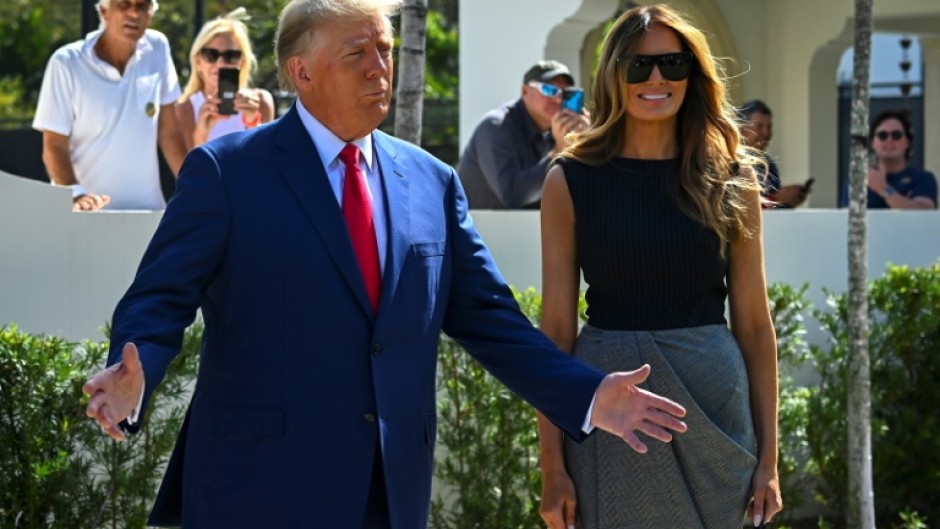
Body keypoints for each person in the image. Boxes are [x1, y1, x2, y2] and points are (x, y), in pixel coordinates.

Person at [80, 1, 689, 528]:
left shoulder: (432, 181)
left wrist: (586, 396)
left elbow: (490, 320)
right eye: (357, 54)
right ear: (302, 72)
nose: (380, 68)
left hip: (388, 486)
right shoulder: (227, 172)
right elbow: (159, 297)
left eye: (385, 49)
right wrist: (134, 370)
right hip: (257, 484)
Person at [537, 5, 782, 529]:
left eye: (673, 64)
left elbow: (757, 329)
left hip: (714, 410)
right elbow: (555, 329)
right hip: (609, 408)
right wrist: (551, 466)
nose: (656, 78)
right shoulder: (569, 181)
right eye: (638, 65)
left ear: (692, 76)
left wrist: (770, 462)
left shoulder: (732, 180)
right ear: (613, 74)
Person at [32, 0, 187, 211]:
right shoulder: (66, 62)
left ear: (151, 13)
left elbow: (169, 132)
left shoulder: (158, 47)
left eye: (142, 6)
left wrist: (195, 186)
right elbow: (54, 145)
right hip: (87, 215)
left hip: (148, 213)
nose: (133, 13)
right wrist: (76, 196)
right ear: (104, 12)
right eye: (124, 5)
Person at [457, 60, 589, 209]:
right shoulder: (496, 126)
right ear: (525, 91)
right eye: (549, 90)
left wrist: (587, 144)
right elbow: (513, 196)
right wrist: (559, 151)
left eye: (565, 93)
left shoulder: (555, 132)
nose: (558, 99)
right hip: (479, 229)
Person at [175, 8, 275, 151]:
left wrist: (254, 123)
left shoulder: (260, 101)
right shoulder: (186, 107)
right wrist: (202, 133)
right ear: (198, 62)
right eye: (211, 55)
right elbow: (194, 170)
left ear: (242, 62)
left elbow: (267, 163)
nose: (221, 63)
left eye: (231, 56)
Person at [740, 99, 809, 208]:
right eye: (759, 126)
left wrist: (789, 199)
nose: (766, 133)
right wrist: (776, 198)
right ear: (742, 129)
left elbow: (775, 211)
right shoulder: (731, 162)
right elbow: (737, 209)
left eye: (769, 127)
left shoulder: (769, 165)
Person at [864, 109, 937, 209]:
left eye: (896, 135)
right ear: (872, 143)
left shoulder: (923, 179)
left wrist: (883, 188)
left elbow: (923, 214)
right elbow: (846, 219)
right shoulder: (858, 183)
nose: (889, 140)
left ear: (907, 142)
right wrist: (905, 202)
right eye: (882, 135)